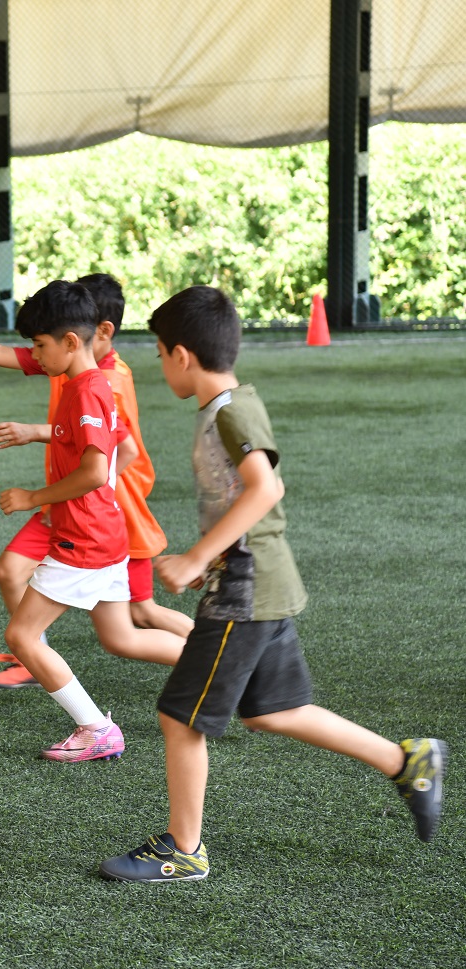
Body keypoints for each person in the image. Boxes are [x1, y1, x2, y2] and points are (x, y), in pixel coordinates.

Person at [99, 285, 444, 881]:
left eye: (159, 355)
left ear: (182, 354)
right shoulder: (222, 408)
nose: (160, 367)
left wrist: (195, 557)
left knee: (180, 718)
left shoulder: (233, 410)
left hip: (244, 587)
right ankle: (406, 760)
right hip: (260, 583)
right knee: (275, 710)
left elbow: (266, 488)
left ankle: (184, 850)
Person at [0, 274, 191, 691]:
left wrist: (43, 491)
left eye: (39, 344)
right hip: (74, 512)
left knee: (141, 613)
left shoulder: (103, 383)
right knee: (24, 580)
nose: (34, 353)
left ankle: (93, 711)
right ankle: (35, 658)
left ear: (85, 334)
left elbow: (113, 457)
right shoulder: (66, 364)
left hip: (94, 517)